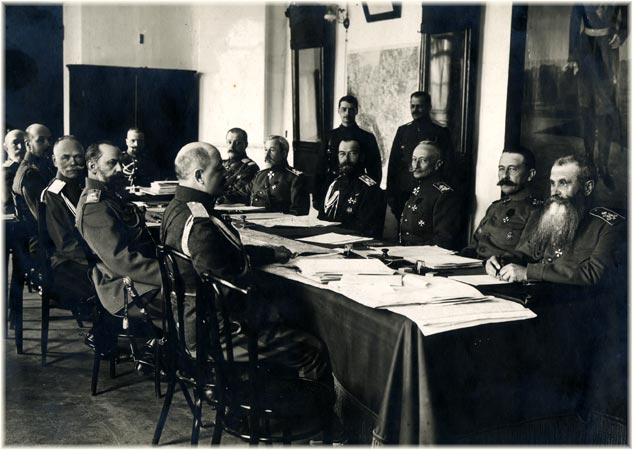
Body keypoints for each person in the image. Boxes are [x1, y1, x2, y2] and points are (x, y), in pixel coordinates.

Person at [161, 142, 331, 382]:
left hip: (190, 323)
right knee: (312, 348)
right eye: (218, 169)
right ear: (199, 177)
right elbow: (224, 290)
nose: (225, 173)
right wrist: (274, 310)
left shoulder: (177, 208)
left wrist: (270, 254)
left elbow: (221, 255)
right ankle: (302, 406)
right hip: (217, 334)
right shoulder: (199, 223)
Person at [485, 155, 626, 286]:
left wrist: (529, 273)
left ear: (587, 187)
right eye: (552, 184)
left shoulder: (610, 225)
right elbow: (527, 252)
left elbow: (594, 274)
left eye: (563, 183)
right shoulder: (554, 216)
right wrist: (500, 261)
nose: (554, 192)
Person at [76, 141, 162, 327]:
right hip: (122, 286)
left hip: (135, 277)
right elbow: (123, 260)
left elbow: (124, 215)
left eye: (120, 163)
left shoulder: (108, 195)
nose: (120, 169)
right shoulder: (95, 207)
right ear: (92, 166)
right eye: (112, 163)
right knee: (195, 295)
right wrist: (169, 274)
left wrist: (141, 214)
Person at [566, 4, 628, 190]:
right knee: (587, 109)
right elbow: (574, 22)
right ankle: (589, 162)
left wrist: (622, 34)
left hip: (608, 50)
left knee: (606, 112)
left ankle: (603, 166)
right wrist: (572, 56)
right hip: (585, 50)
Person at [40, 136, 96, 308]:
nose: (73, 162)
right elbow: (66, 245)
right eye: (65, 157)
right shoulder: (53, 194)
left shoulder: (82, 187)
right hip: (67, 263)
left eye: (78, 156)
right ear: (54, 161)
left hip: (86, 254)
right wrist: (101, 258)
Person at [461, 147, 542, 260]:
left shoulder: (536, 211)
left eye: (512, 169)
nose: (504, 176)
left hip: (500, 268)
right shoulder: (495, 206)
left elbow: (522, 255)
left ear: (530, 175)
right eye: (501, 169)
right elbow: (473, 247)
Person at [386, 92, 453, 220]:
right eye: (412, 106)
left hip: (430, 194)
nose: (415, 110)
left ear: (428, 107)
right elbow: (393, 164)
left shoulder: (440, 132)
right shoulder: (403, 131)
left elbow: (448, 165)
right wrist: (391, 195)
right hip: (404, 192)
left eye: (419, 106)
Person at [313, 95, 382, 211]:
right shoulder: (330, 136)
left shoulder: (367, 137)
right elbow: (320, 167)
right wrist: (317, 195)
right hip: (332, 185)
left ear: (356, 111)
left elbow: (375, 169)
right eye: (344, 109)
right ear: (338, 110)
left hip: (358, 188)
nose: (347, 113)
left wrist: (372, 193)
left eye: (351, 110)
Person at [399, 141, 464, 250]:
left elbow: (443, 240)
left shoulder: (445, 195)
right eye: (414, 159)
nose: (416, 165)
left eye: (423, 160)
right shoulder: (417, 188)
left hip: (425, 255)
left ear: (438, 164)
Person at [320, 139, 385, 238]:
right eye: (342, 153)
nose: (346, 159)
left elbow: (366, 228)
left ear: (361, 157)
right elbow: (322, 217)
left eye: (352, 153)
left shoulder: (370, 188)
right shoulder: (334, 184)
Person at [249, 135, 309, 215]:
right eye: (266, 150)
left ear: (283, 154)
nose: (266, 155)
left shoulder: (295, 178)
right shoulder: (259, 176)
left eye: (272, 150)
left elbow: (298, 212)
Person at [12, 123, 53, 222]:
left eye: (49, 140)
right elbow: (42, 216)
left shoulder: (43, 166)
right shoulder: (30, 173)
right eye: (41, 140)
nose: (48, 144)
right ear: (28, 144)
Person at [217, 127, 259, 204]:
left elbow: (238, 194)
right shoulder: (221, 164)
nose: (231, 146)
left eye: (237, 143)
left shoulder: (250, 167)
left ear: (245, 145)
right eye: (229, 142)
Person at [2, 129, 26, 214]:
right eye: (15, 143)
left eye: (23, 143)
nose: (20, 147)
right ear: (6, 148)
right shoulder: (5, 172)